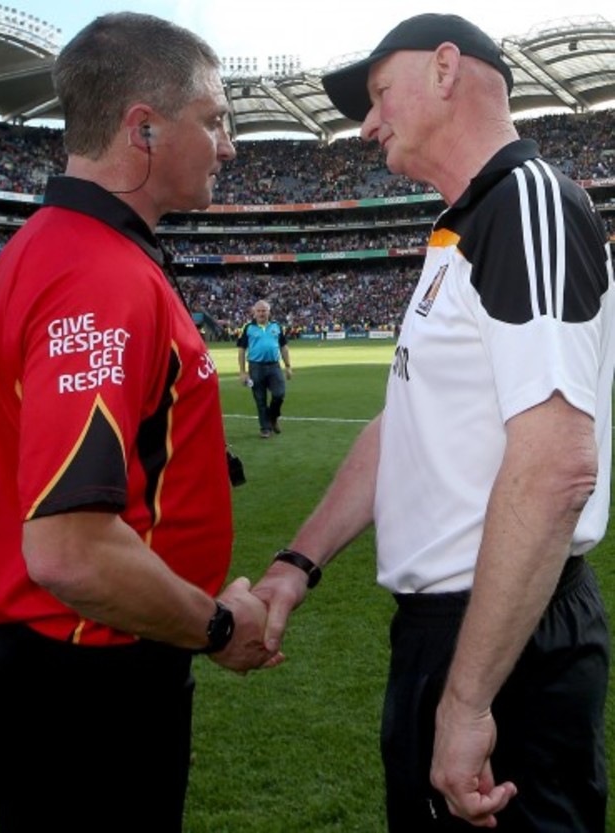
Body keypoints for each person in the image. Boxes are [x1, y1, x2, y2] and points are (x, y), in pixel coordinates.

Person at [253, 12, 615, 833]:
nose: (368, 122)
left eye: (380, 94)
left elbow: (559, 464)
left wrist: (468, 697)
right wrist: (295, 563)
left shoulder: (526, 205)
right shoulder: (458, 229)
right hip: (452, 636)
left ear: (447, 69)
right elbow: (403, 424)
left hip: (504, 641)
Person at [0, 13, 281, 833]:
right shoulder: (97, 276)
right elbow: (68, 549)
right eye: (214, 121)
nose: (230, 146)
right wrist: (216, 625)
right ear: (143, 128)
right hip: (88, 681)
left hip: (58, 672)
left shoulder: (53, 249)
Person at [237, 299, 292, 438]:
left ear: (269, 312)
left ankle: (272, 417)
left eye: (264, 310)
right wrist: (242, 372)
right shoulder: (248, 327)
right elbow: (242, 350)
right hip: (256, 367)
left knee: (279, 394)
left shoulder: (276, 326)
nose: (261, 313)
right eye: (259, 311)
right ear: (254, 312)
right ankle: (265, 428)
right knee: (260, 399)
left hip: (274, 366)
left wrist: (288, 366)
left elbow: (284, 347)